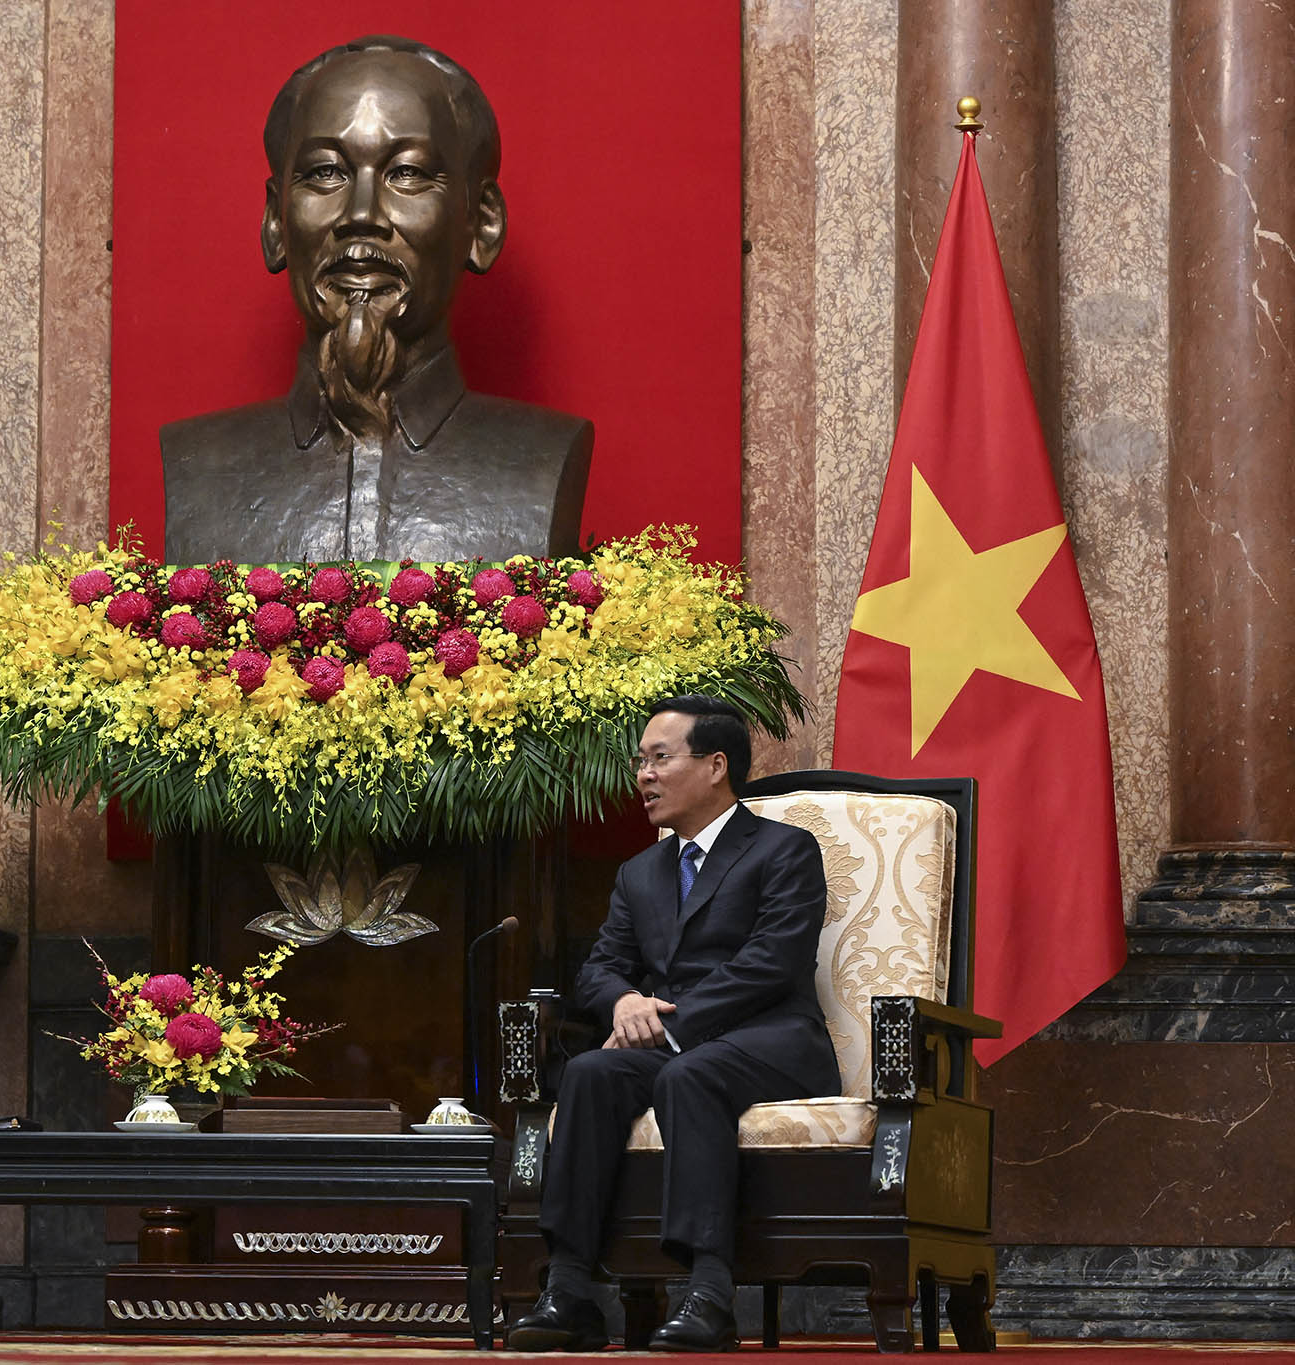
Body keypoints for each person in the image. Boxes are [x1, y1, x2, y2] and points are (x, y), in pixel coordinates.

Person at [161, 35, 592, 565]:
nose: (361, 213)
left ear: (482, 224)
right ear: (276, 222)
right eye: (326, 173)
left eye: (407, 173)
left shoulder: (544, 459)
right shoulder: (196, 464)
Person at [507, 696, 838, 1353]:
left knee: (692, 1072)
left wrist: (670, 1021)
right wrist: (626, 1001)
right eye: (641, 762)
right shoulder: (641, 871)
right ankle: (570, 1287)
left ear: (716, 765)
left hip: (772, 1038)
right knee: (591, 1070)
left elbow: (772, 962)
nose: (644, 776)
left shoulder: (784, 850)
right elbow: (600, 967)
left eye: (660, 758)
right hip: (675, 1043)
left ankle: (710, 1291)